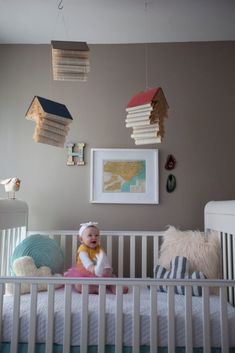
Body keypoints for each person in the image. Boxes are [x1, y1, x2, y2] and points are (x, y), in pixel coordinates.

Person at [64, 221, 119, 294]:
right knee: (78, 285)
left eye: (97, 235)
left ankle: (115, 288)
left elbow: (104, 260)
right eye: (90, 235)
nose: (94, 237)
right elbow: (86, 262)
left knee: (112, 278)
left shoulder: (99, 248)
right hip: (85, 273)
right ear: (81, 239)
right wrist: (93, 269)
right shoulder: (82, 249)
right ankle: (96, 289)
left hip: (99, 273)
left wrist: (107, 269)